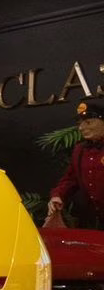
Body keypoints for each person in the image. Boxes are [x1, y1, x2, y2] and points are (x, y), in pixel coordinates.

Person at [46, 95, 104, 229]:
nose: (81, 128)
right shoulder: (80, 150)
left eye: (88, 122)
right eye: (80, 124)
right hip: (92, 223)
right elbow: (70, 179)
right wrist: (57, 195)